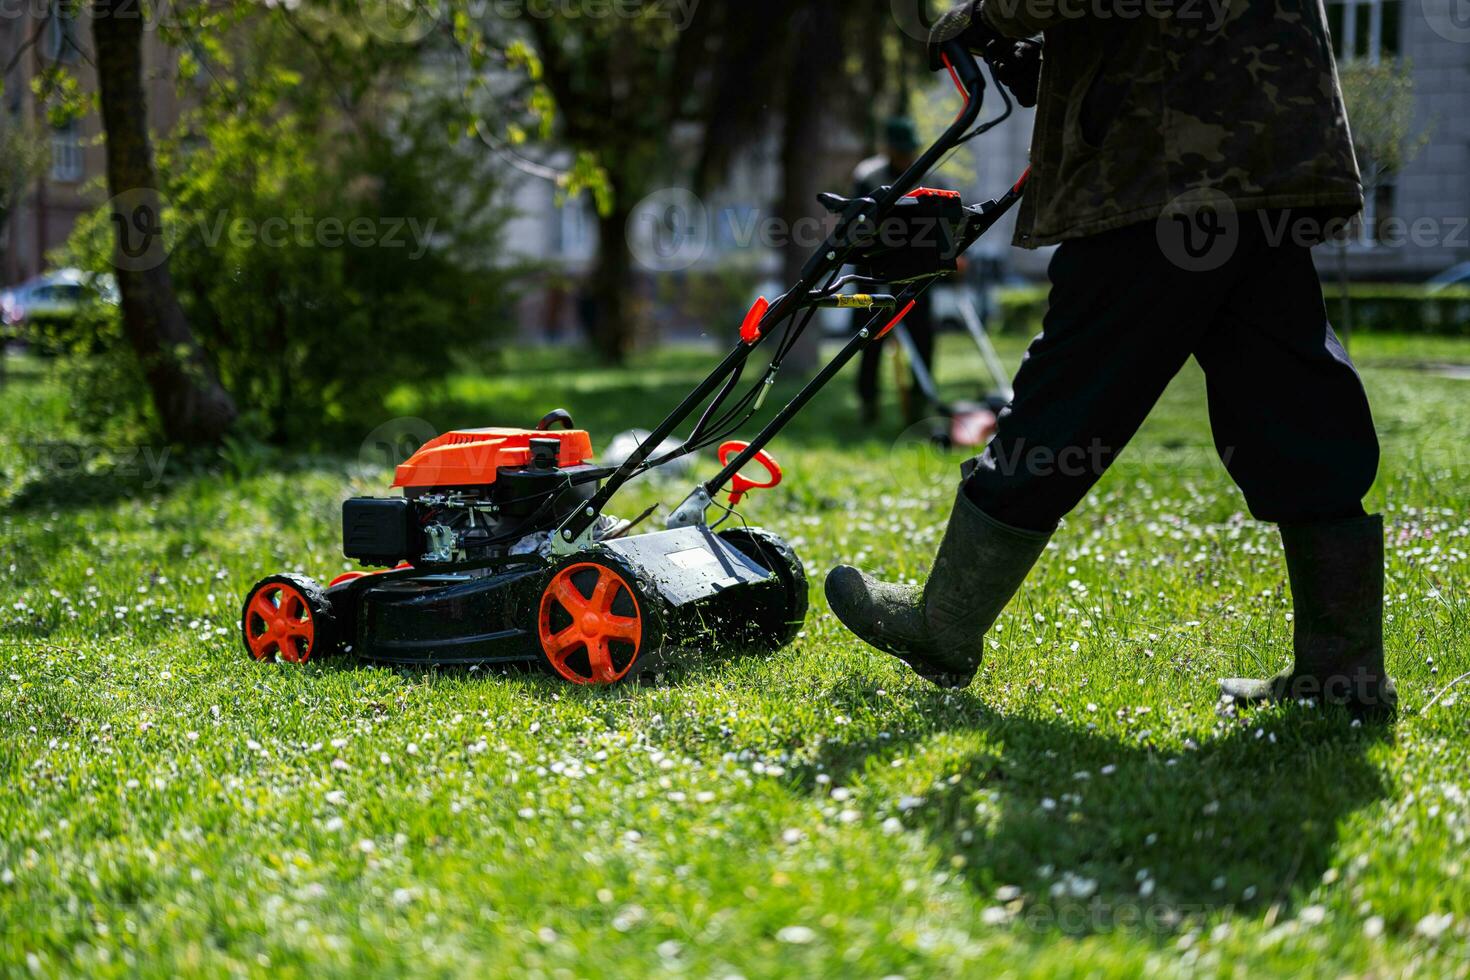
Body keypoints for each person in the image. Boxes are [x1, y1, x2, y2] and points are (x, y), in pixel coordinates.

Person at [825, 2, 1397, 716]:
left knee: (1073, 384)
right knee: (1291, 392)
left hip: (1162, 148)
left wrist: (987, 18)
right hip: (1265, 130)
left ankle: (944, 624)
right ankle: (1342, 674)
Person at [852, 116, 939, 426]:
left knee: (922, 337)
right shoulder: (868, 176)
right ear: (887, 149)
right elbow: (857, 227)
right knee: (870, 338)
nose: (906, 157)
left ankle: (920, 404)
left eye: (909, 151)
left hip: (915, 273)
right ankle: (868, 402)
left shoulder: (929, 177)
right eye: (900, 151)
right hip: (872, 274)